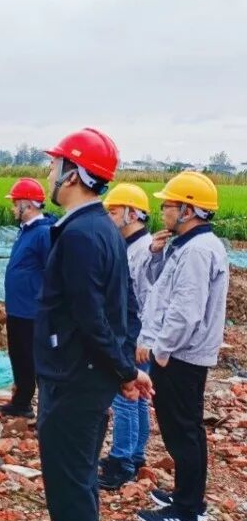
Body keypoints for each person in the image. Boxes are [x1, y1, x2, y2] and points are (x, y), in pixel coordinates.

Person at [19, 128, 153, 521]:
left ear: (74, 174)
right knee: (76, 483)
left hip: (74, 379)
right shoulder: (98, 229)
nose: (51, 174)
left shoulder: (80, 234)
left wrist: (124, 371)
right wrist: (125, 369)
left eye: (56, 166)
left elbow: (93, 315)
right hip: (86, 376)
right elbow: (120, 309)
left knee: (70, 485)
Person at [135, 172, 229, 521]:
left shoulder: (197, 251)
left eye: (168, 205)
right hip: (182, 353)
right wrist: (157, 253)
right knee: (185, 428)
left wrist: (162, 349)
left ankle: (186, 512)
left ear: (188, 209)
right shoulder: (188, 246)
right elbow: (164, 290)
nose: (163, 211)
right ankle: (189, 499)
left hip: (181, 356)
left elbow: (185, 310)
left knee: (182, 430)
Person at [98, 183, 154, 489]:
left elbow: (144, 299)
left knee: (125, 399)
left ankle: (122, 462)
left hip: (135, 336)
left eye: (114, 211)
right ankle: (135, 454)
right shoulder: (131, 247)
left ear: (132, 214)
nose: (109, 217)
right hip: (136, 334)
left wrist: (137, 340)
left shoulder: (142, 251)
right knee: (139, 399)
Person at [0, 178, 55, 418]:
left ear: (27, 205)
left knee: (35, 359)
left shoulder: (43, 234)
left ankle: (45, 409)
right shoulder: (26, 231)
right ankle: (22, 401)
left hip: (33, 310)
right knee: (19, 356)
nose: (12, 208)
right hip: (18, 309)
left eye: (15, 203)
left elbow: (51, 271)